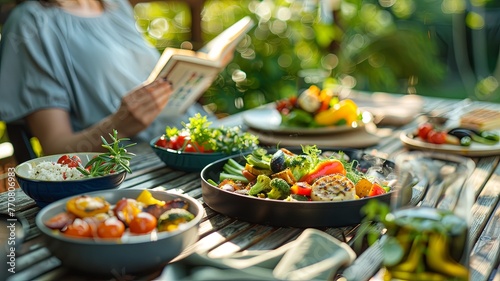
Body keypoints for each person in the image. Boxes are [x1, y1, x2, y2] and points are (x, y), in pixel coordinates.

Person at [0, 0, 216, 155]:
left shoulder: (116, 5)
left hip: (193, 144)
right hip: (139, 166)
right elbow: (55, 148)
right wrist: (118, 125)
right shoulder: (31, 23)